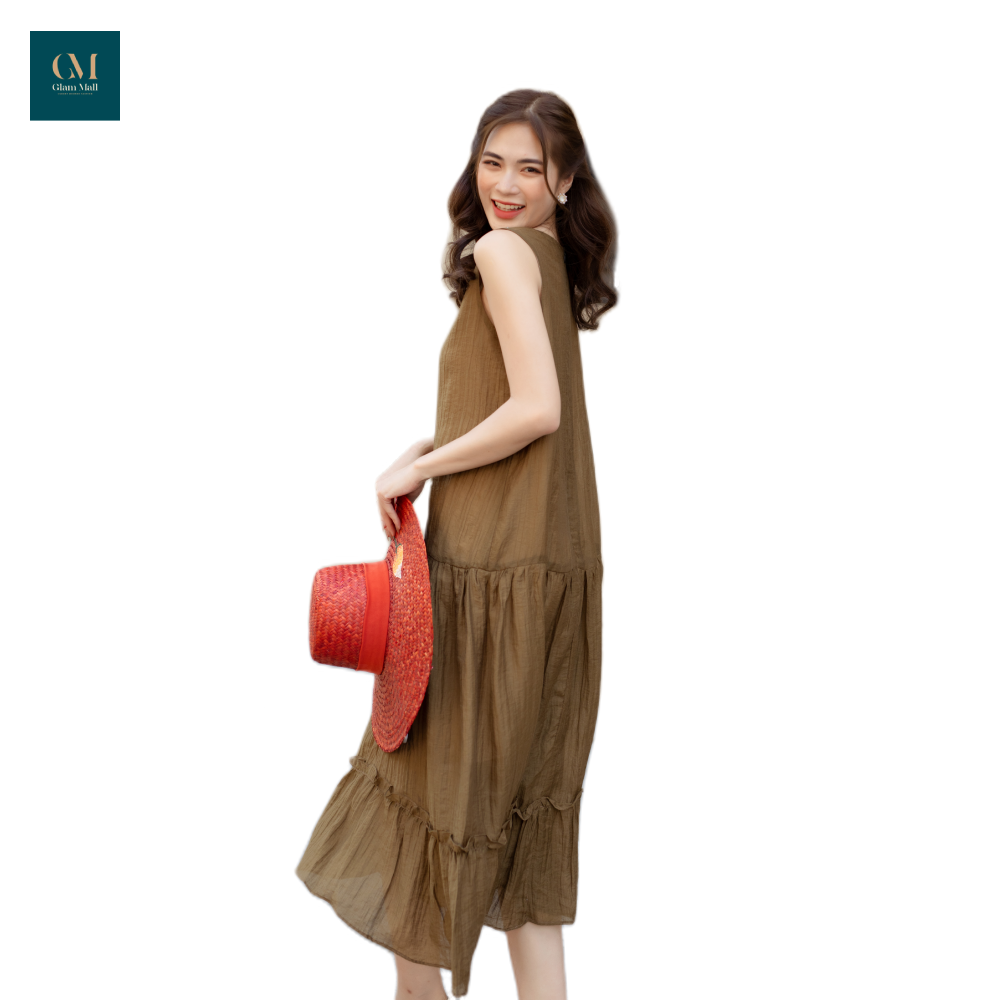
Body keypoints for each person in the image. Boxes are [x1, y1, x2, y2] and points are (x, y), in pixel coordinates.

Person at [296, 89, 617, 1000]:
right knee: (523, 846)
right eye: (491, 162)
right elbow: (521, 399)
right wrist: (429, 448)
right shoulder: (547, 257)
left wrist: (422, 469)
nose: (505, 185)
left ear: (565, 179)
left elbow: (536, 409)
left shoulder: (504, 252)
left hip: (486, 566)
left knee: (421, 803)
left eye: (530, 167)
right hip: (549, 573)